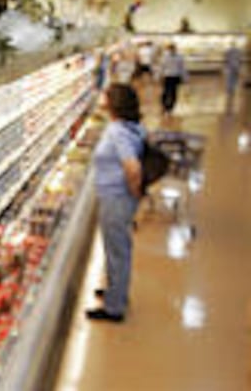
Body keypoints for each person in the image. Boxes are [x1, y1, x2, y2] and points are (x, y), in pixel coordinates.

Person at [87, 83, 145, 322]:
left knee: (117, 251)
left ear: (114, 103)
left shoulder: (117, 131)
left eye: (105, 95)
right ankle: (115, 289)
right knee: (116, 248)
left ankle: (114, 308)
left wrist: (133, 193)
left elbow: (133, 167)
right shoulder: (132, 127)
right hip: (120, 198)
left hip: (116, 198)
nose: (101, 97)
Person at [160, 43, 187, 116]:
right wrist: (185, 77)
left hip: (169, 76)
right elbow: (182, 68)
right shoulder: (178, 57)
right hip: (173, 76)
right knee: (171, 91)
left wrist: (159, 76)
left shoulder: (165, 57)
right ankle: (168, 106)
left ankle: (167, 106)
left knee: (168, 91)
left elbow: (162, 67)